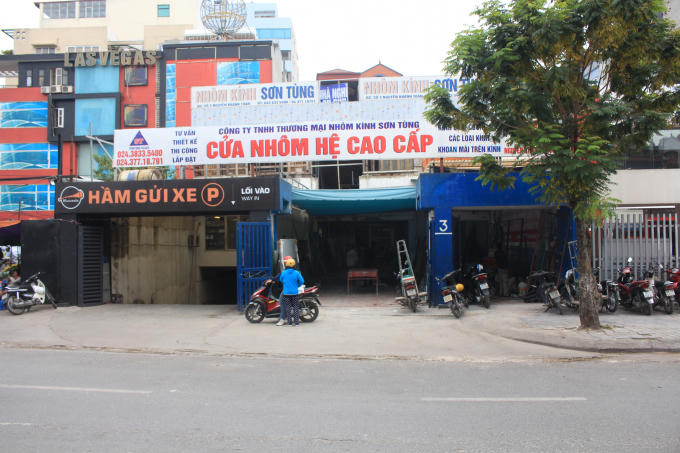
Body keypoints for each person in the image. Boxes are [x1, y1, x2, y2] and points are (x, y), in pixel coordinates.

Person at [275, 256, 304, 326]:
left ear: (286, 264)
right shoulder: (296, 273)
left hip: (286, 293)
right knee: (295, 307)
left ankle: (288, 322)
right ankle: (296, 323)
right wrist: (297, 285)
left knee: (287, 307)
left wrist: (286, 284)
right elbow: (302, 281)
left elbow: (281, 280)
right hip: (295, 293)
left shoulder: (284, 273)